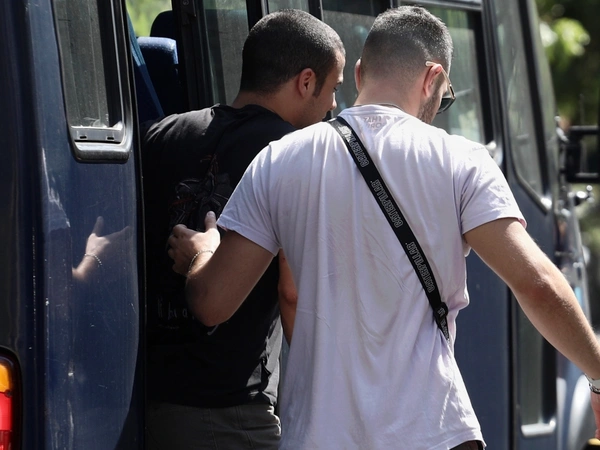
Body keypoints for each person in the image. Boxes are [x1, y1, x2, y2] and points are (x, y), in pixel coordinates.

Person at [167, 5, 600, 449]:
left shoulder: (279, 159)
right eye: (445, 97)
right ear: (432, 77)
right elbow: (537, 285)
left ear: (359, 73)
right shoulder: (462, 161)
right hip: (433, 433)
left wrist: (203, 252)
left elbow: (213, 303)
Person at [141, 9, 345, 450]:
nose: (333, 105)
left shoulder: (162, 134)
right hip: (231, 411)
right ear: (306, 82)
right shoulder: (294, 154)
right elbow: (292, 293)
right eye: (333, 89)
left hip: (150, 402)